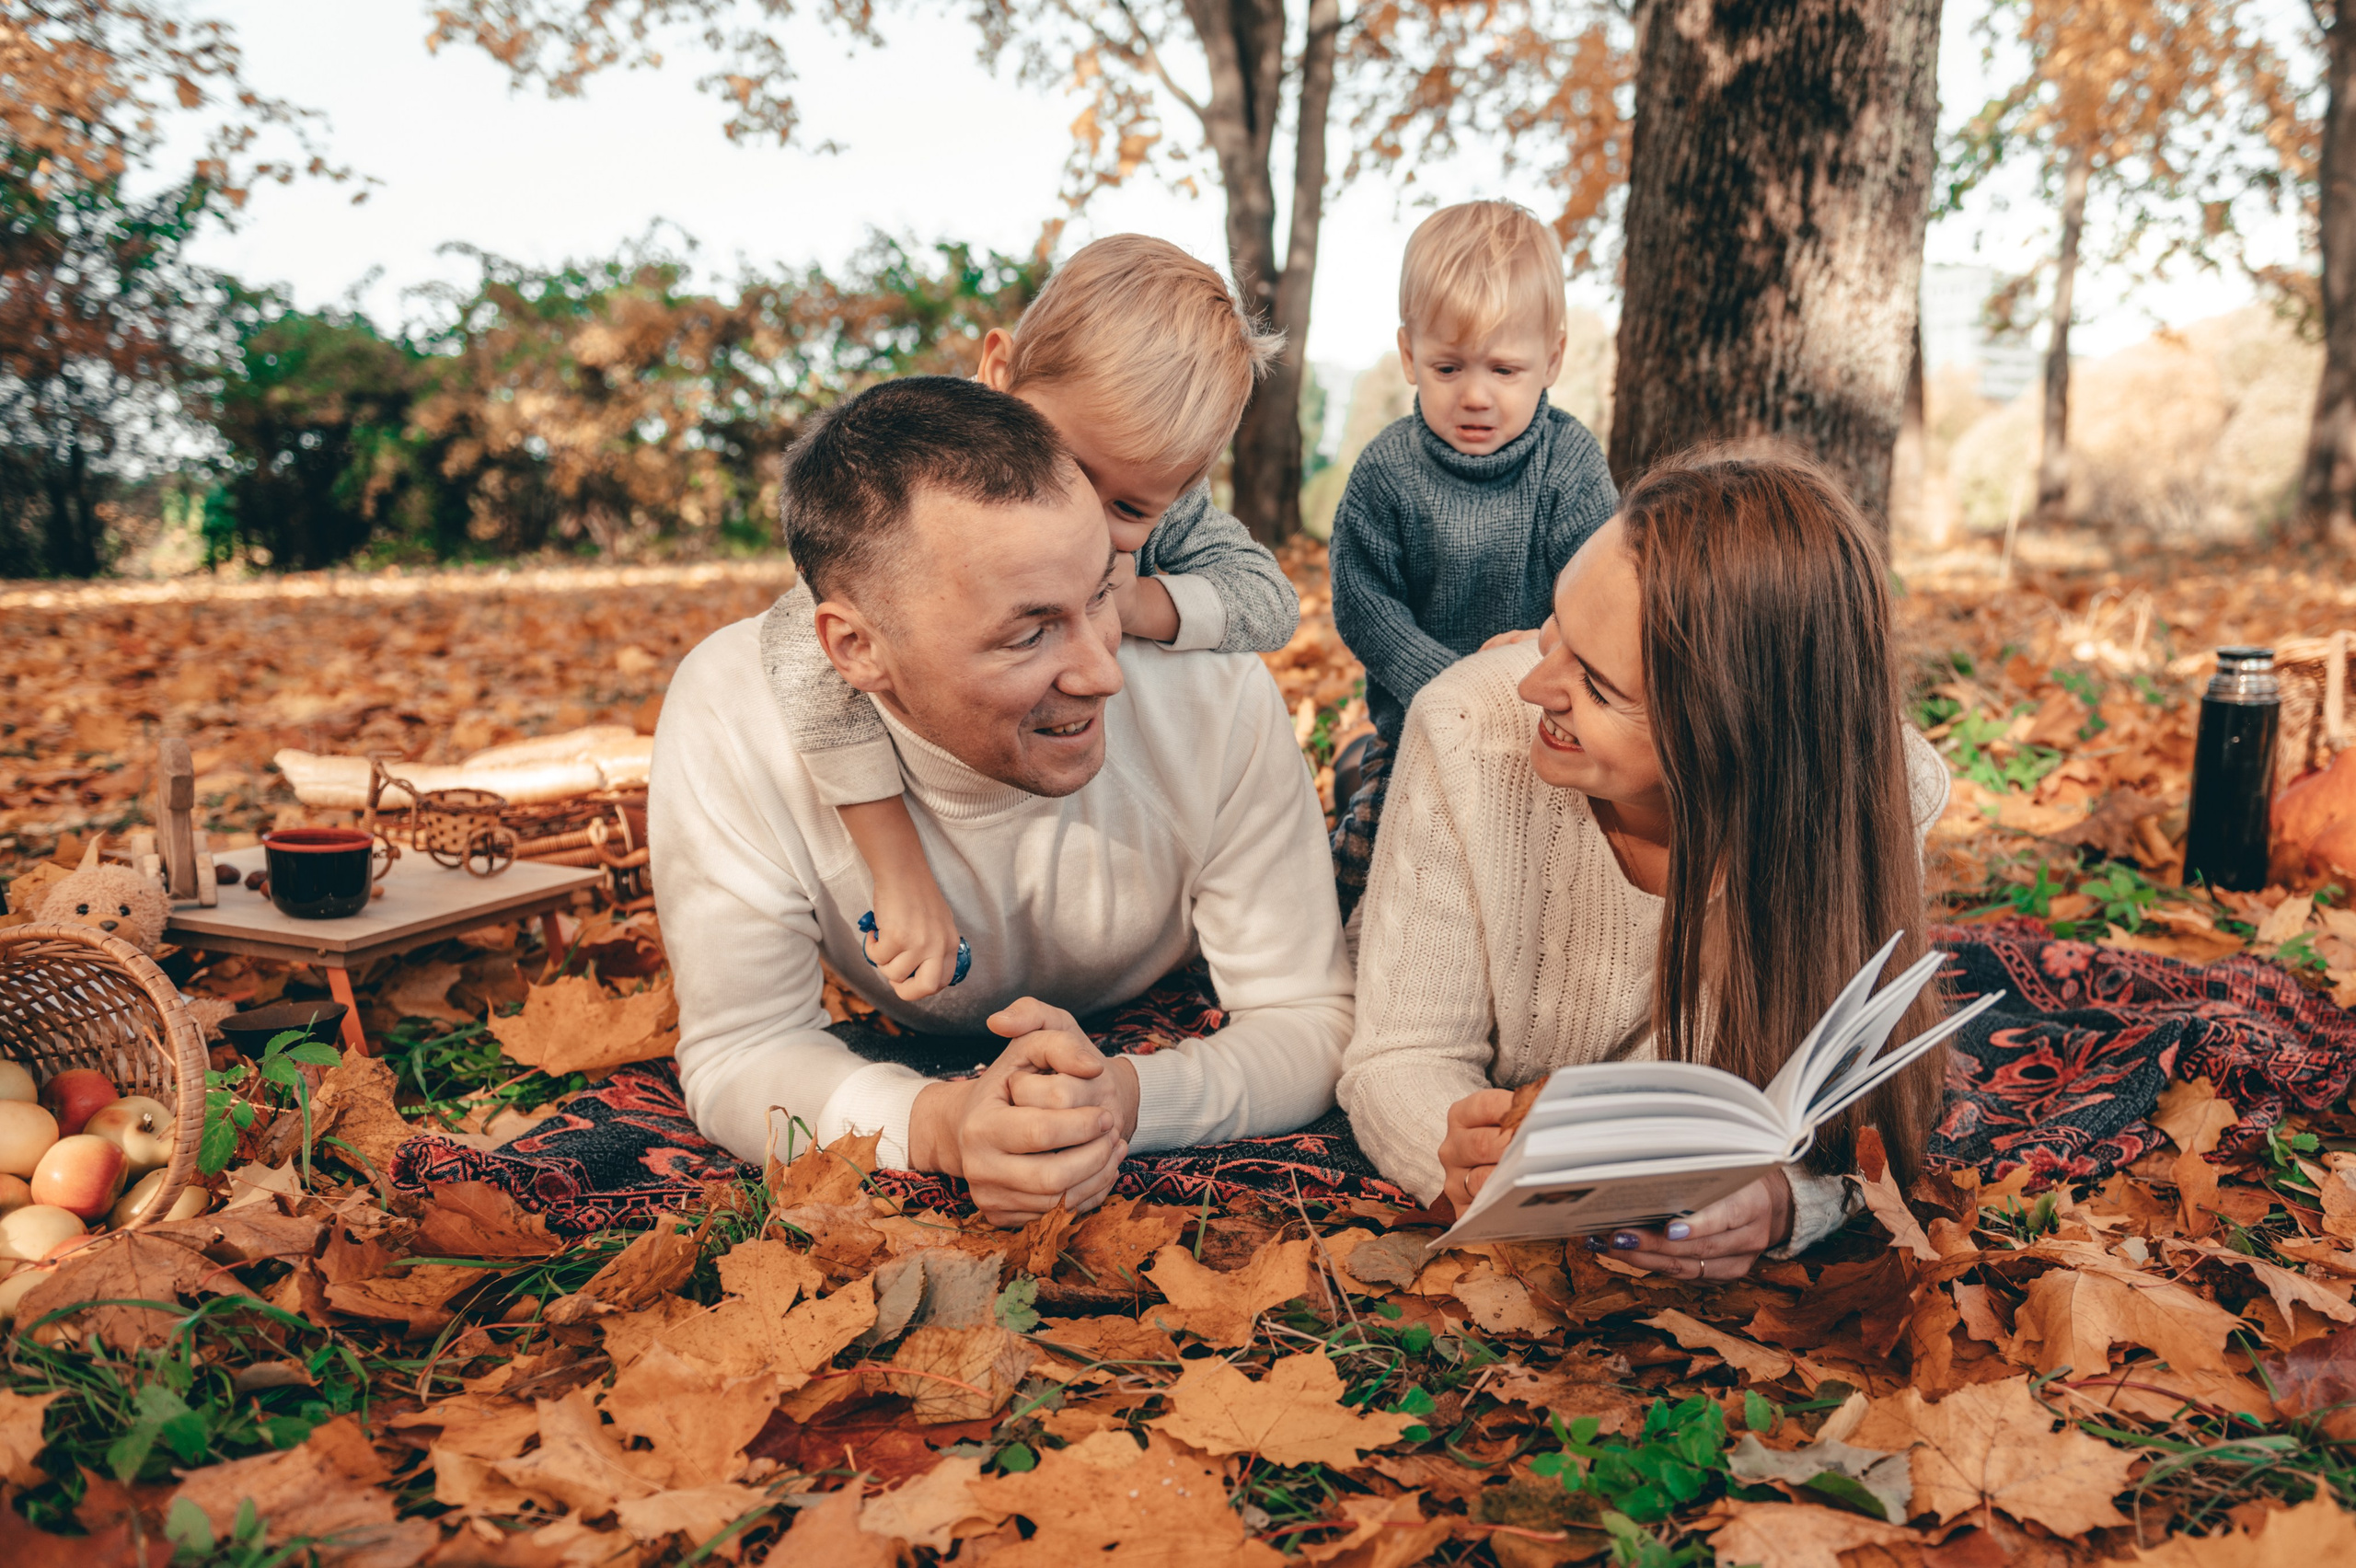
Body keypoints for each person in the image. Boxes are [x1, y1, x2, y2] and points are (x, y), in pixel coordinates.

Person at [651, 376, 1352, 1225]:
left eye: (1101, 595)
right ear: (855, 648)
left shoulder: (1212, 687)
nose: (1104, 672)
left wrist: (1126, 1099)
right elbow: (741, 1049)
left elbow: (1308, 1015)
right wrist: (937, 1127)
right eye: (1028, 635)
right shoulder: (735, 715)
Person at [1336, 446, 1953, 1279]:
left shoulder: (1873, 793)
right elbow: (1400, 1053)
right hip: (1408, 842)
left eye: (1597, 685)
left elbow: (1861, 1107)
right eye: (1553, 629)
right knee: (1361, 842)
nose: (1537, 686)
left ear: (1735, 735)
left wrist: (1782, 1200)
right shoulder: (1467, 729)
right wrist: (1453, 1149)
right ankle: (1354, 765)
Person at [758, 236, 1300, 1000]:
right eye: (1069, 465)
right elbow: (801, 641)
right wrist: (894, 862)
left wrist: (1135, 600)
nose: (1086, 513)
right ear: (998, 374)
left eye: (1128, 508)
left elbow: (1272, 602)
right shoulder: (924, 488)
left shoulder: (1172, 511)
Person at [1327, 201, 1620, 917]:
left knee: (1565, 884)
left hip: (1546, 718)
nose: (1477, 396)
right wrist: (1447, 685)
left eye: (1506, 369)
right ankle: (1313, 966)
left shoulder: (1568, 461)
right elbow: (1365, 602)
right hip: (1421, 724)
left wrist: (1545, 646)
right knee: (1370, 872)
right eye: (1448, 367)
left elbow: (1602, 591)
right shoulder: (1389, 470)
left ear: (1552, 359)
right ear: (1408, 355)